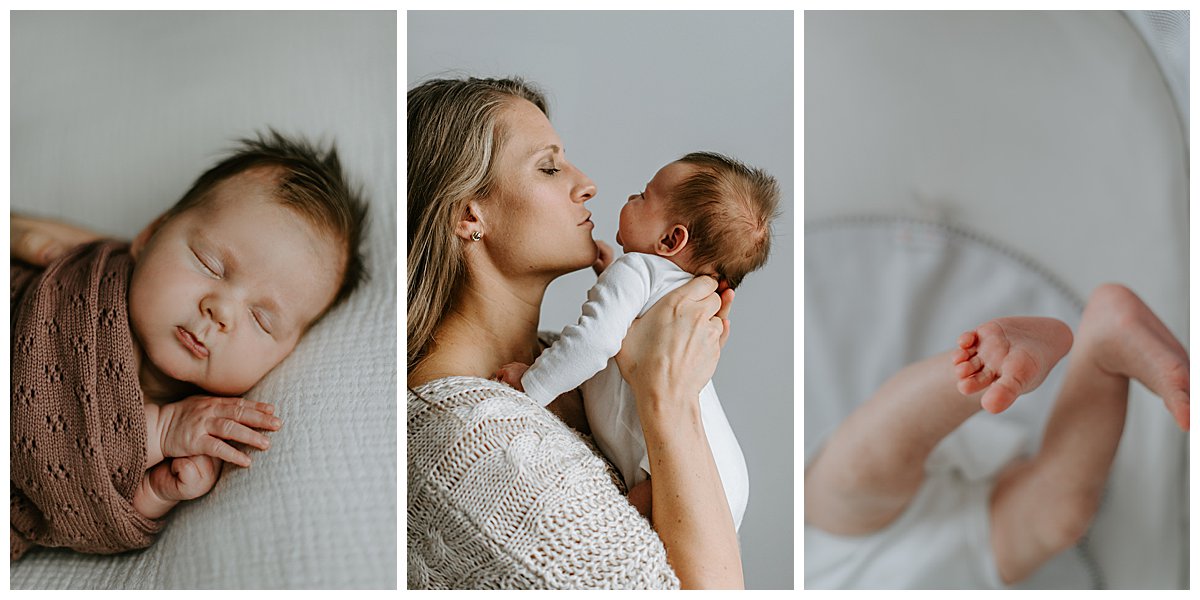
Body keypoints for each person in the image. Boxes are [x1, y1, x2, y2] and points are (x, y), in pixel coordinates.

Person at [407, 76, 742, 589]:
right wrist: (669, 397)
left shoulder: (548, 361)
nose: (587, 183)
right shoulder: (472, 446)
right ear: (469, 213)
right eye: (548, 167)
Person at [11, 132, 368, 558]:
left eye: (262, 319)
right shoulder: (78, 286)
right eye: (210, 265)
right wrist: (160, 431)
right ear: (151, 234)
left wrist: (153, 494)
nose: (221, 312)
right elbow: (34, 433)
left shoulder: (195, 425)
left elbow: (75, 514)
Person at [804, 284, 1189, 587]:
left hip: (836, 547)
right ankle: (1104, 347)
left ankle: (980, 369)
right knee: (1060, 517)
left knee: (861, 472)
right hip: (961, 564)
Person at [493, 152, 781, 531]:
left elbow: (595, 342)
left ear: (670, 239)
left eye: (644, 196)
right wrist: (606, 272)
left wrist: (531, 387)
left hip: (670, 477)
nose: (631, 198)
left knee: (613, 535)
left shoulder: (635, 270)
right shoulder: (676, 288)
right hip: (717, 471)